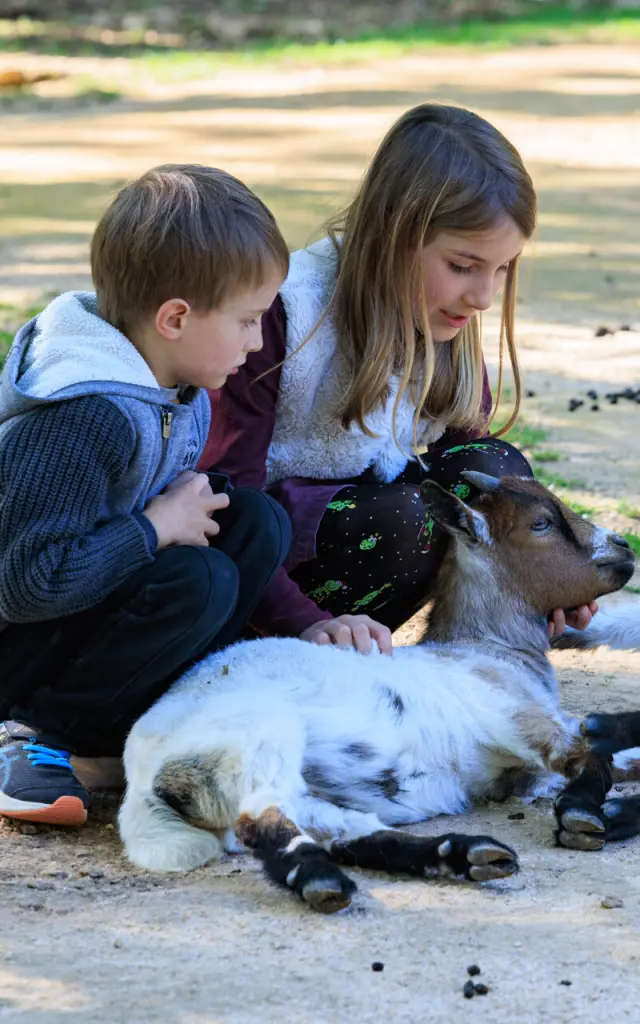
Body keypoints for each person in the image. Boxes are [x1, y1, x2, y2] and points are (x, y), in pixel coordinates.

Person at [202, 103, 597, 652]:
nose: (484, 296)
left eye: (502, 267)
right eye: (463, 266)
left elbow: (476, 459)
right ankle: (302, 645)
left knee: (496, 471)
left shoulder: (440, 319)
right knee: (410, 520)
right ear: (394, 237)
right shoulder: (284, 316)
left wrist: (548, 570)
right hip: (261, 579)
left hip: (361, 550)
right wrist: (303, 620)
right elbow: (226, 501)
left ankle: (497, 619)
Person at [0, 164, 291, 826]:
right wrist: (156, 529)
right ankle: (30, 738)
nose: (256, 341)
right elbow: (25, 583)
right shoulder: (79, 413)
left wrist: (173, 516)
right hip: (17, 646)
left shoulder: (172, 379)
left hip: (81, 616)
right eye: (247, 321)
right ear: (176, 318)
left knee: (252, 524)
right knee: (196, 577)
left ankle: (149, 727)